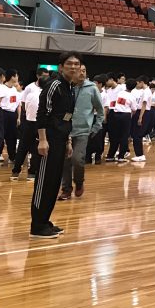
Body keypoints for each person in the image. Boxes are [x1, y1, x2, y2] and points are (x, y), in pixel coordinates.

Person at [31, 51, 81, 239]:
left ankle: (45, 222)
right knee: (44, 183)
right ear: (61, 67)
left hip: (61, 140)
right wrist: (43, 140)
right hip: (49, 141)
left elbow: (65, 118)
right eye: (70, 64)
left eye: (77, 64)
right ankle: (37, 226)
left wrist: (67, 141)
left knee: (53, 183)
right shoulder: (54, 85)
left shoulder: (70, 87)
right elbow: (42, 114)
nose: (74, 67)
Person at [58, 63, 104, 200]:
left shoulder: (92, 88)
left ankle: (79, 182)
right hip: (66, 130)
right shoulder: (66, 87)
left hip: (83, 131)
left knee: (77, 159)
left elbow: (100, 111)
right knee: (65, 161)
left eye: (84, 71)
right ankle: (66, 189)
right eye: (80, 71)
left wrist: (95, 127)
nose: (82, 74)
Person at [11, 68, 47, 180]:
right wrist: (25, 117)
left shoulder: (47, 91)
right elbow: (23, 102)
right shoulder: (30, 88)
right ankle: (16, 171)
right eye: (44, 76)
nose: (46, 78)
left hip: (40, 124)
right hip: (29, 122)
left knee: (36, 149)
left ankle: (32, 172)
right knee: (23, 147)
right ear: (38, 76)